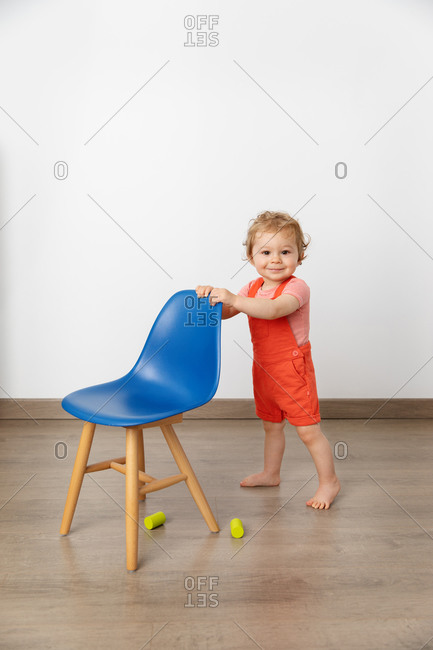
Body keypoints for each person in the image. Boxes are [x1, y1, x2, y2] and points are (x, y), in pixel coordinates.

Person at [195, 210, 340, 509]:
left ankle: (329, 482)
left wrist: (234, 299)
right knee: (271, 426)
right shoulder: (250, 289)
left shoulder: (297, 288)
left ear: (299, 256)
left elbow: (274, 310)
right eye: (266, 252)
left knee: (308, 431)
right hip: (263, 369)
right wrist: (211, 299)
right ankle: (271, 473)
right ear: (251, 257)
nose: (275, 259)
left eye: (285, 252)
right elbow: (227, 312)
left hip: (292, 369)